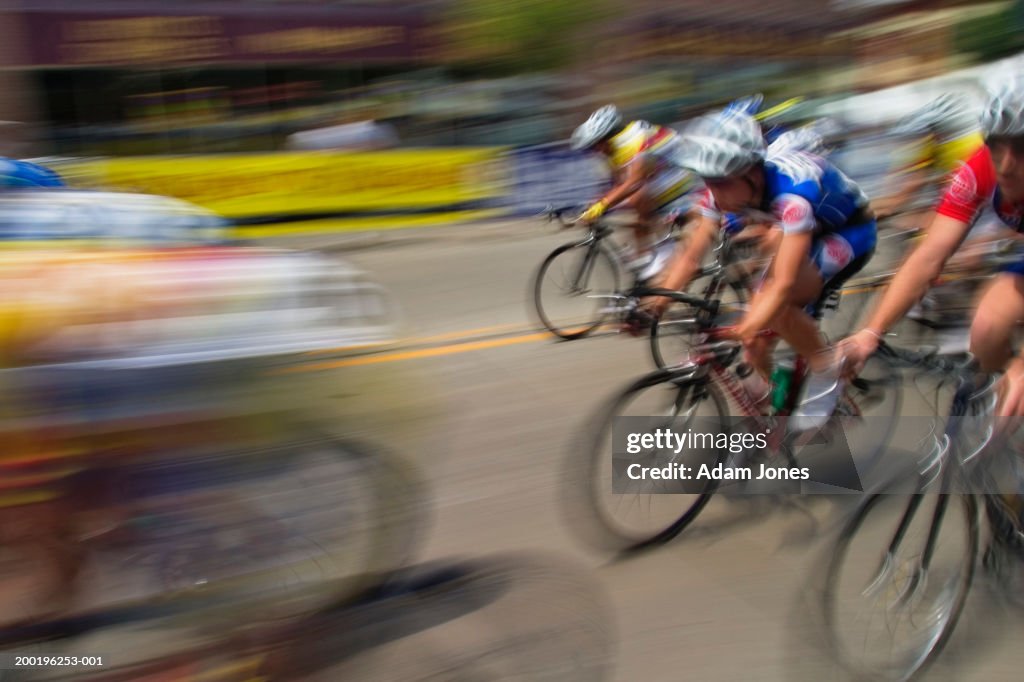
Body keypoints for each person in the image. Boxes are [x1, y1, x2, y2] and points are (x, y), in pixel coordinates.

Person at [649, 108, 877, 429]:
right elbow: (689, 258)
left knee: (777, 307)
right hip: (794, 229)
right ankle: (779, 409)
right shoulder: (725, 189)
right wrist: (655, 305)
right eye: (708, 182)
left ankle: (828, 372)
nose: (715, 194)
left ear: (752, 173)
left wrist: (747, 324)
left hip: (848, 232)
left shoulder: (793, 193)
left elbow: (783, 285)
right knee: (754, 347)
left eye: (723, 183)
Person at [842, 80, 1024, 419]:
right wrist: (870, 333)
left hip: (1003, 234)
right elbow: (928, 257)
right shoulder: (979, 166)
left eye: (1021, 148)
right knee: (985, 328)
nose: (1006, 164)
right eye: (997, 146)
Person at [570, 105, 698, 278]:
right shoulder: (611, 150)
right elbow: (614, 185)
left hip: (682, 173)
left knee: (637, 198)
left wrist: (602, 206)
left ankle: (664, 249)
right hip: (661, 172)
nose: (593, 151)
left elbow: (634, 183)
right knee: (638, 226)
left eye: (594, 146)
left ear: (605, 138)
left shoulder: (631, 142)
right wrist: (593, 206)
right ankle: (644, 271)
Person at [871, 93, 984, 223]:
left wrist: (910, 220)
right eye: (931, 131)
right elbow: (904, 194)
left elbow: (958, 207)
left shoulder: (972, 150)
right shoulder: (934, 143)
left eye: (934, 132)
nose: (933, 136)